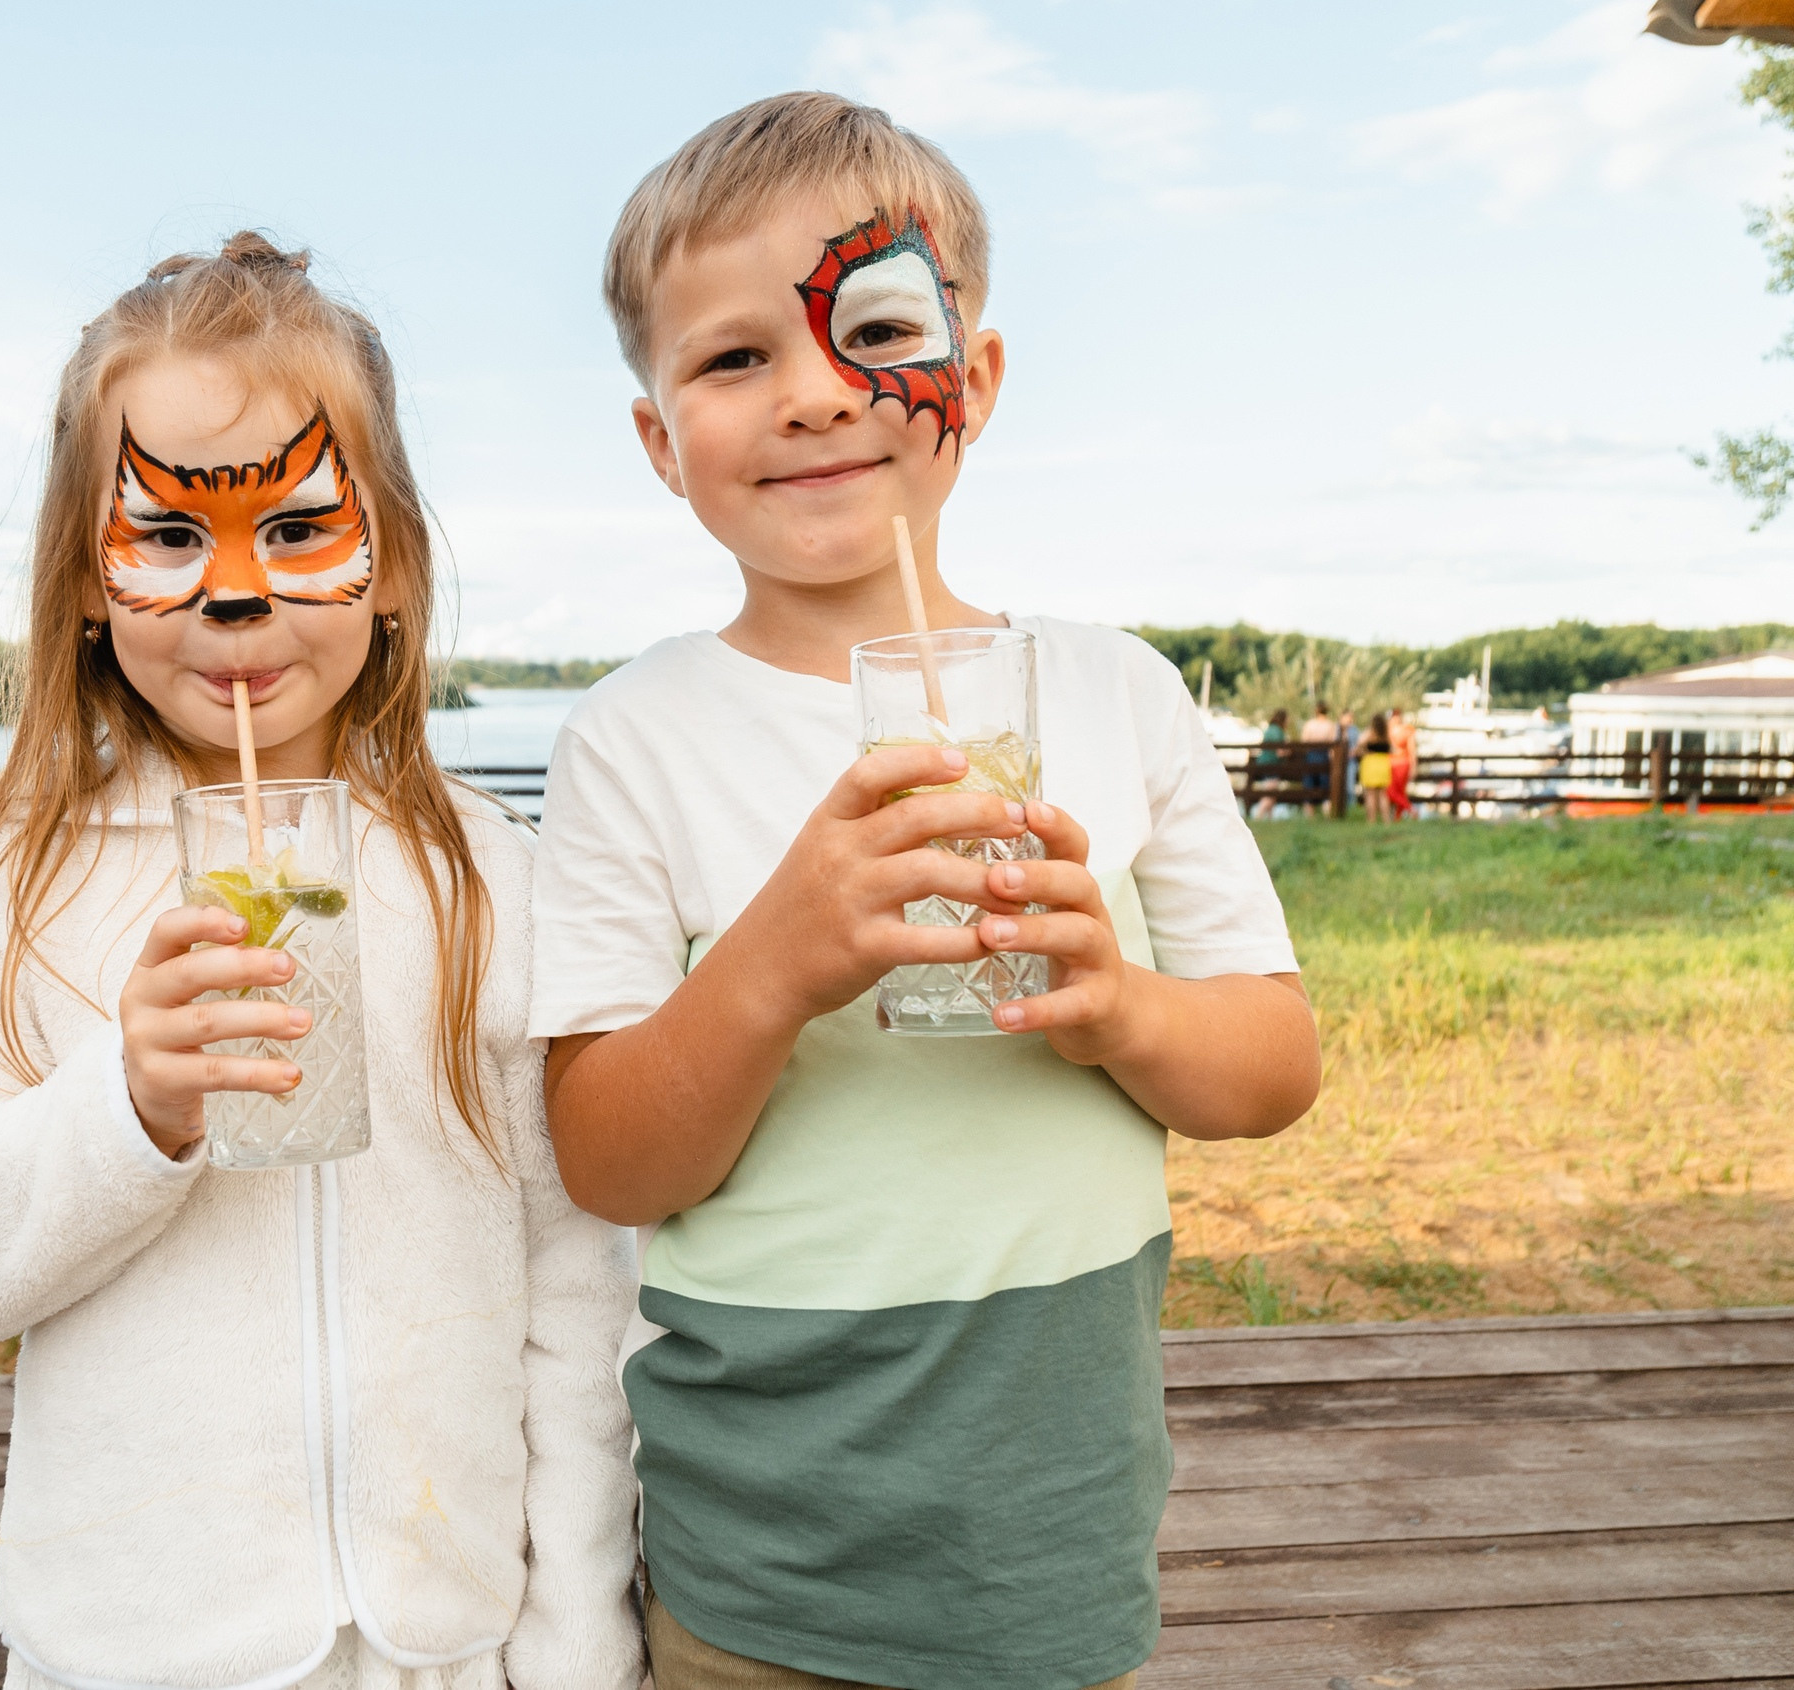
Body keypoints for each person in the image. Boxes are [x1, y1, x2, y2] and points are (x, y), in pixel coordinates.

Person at [531, 94, 1321, 1690]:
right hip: (758, 1567)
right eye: (734, 358)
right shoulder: (635, 738)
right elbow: (610, 1159)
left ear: (978, 374)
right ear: (658, 440)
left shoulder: (1116, 696)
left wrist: (1120, 1007)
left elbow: (1273, 1066)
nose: (817, 395)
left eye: (876, 328)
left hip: (1052, 1538)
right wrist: (772, 963)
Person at [0, 234, 643, 1690]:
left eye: (298, 530)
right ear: (82, 576)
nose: (234, 595)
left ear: (389, 563)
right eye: (163, 537)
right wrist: (125, 1107)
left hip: (442, 1653)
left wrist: (578, 1642)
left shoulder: (490, 876)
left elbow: (576, 1282)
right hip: (131, 1654)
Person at [1299, 701, 1340, 814]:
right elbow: (1333, 743)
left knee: (1309, 785)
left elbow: (1304, 741)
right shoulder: (1330, 725)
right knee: (1325, 786)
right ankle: (1326, 812)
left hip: (1311, 756)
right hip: (1324, 756)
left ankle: (1310, 815)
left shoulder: (1310, 724)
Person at [1358, 722, 1394, 823]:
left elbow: (1359, 744)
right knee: (1383, 795)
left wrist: (1365, 751)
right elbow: (1392, 749)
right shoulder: (1386, 735)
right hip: (1383, 764)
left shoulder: (1369, 734)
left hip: (1370, 764)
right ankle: (1386, 820)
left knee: (1370, 794)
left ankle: (1371, 820)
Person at [1387, 707, 1417, 820]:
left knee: (1399, 791)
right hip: (1389, 763)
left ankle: (1403, 813)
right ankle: (1406, 811)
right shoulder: (1387, 730)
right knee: (1391, 791)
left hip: (1402, 764)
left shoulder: (1407, 730)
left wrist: (1414, 766)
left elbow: (1412, 750)